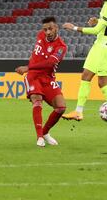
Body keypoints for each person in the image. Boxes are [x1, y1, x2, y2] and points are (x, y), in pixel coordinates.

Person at [61, 0, 107, 134]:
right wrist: (98, 21)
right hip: (102, 44)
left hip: (106, 46)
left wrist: (74, 28)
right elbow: (106, 25)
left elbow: (96, 31)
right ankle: (83, 112)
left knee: (94, 79)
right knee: (94, 79)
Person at [15, 16, 67, 147]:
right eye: (45, 30)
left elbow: (50, 63)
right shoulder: (40, 36)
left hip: (48, 78)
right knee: (37, 100)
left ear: (56, 28)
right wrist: (30, 68)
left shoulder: (61, 47)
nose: (47, 32)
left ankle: (45, 132)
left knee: (61, 107)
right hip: (33, 76)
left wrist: (28, 67)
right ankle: (39, 137)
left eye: (50, 29)